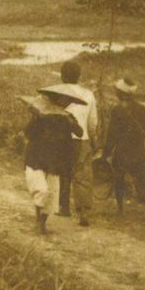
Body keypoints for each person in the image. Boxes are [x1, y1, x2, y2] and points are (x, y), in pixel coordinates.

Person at [21, 86, 83, 235]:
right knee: (41, 190)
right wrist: (38, 118)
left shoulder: (67, 117)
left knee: (52, 193)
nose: (67, 103)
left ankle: (41, 223)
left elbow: (79, 132)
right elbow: (28, 132)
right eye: (65, 100)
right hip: (38, 156)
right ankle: (38, 219)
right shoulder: (41, 115)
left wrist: (69, 121)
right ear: (57, 99)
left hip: (56, 159)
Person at [101, 78, 145, 222]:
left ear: (120, 93)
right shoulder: (143, 109)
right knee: (142, 181)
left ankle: (120, 210)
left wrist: (105, 154)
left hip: (122, 152)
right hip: (139, 151)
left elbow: (112, 134)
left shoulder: (117, 110)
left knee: (118, 179)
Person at [54, 63, 99, 225]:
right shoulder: (88, 94)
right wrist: (94, 142)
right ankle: (83, 212)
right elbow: (93, 122)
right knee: (82, 176)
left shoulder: (56, 93)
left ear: (62, 75)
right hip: (82, 139)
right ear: (79, 76)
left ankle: (64, 207)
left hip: (61, 139)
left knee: (64, 173)